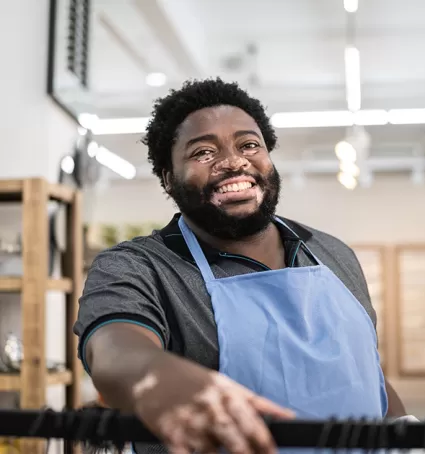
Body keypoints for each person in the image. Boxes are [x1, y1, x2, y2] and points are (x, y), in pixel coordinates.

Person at [74, 78, 407, 454]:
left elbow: (365, 371)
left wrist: (406, 431)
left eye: (250, 144)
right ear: (168, 179)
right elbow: (112, 349)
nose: (234, 161)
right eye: (202, 152)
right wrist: (153, 377)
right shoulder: (140, 266)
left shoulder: (333, 254)